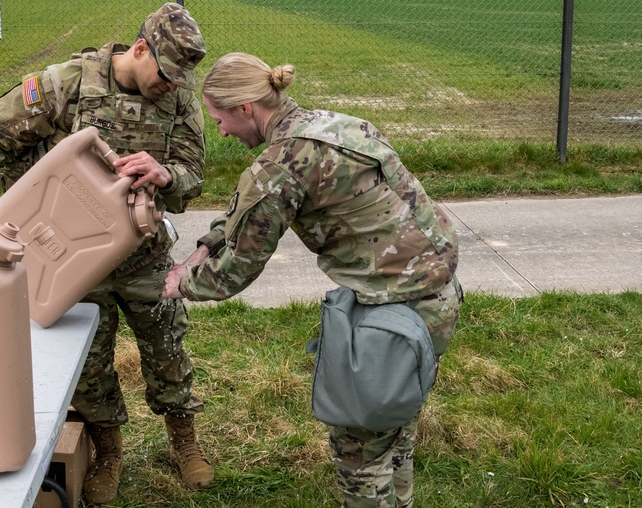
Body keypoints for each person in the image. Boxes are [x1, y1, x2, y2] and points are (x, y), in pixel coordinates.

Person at [162, 52, 463, 507]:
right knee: (396, 431)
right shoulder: (337, 125)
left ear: (246, 108)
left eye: (220, 119)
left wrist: (181, 283)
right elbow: (248, 214)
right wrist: (206, 244)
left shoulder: (279, 165)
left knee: (361, 456)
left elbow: (238, 269)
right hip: (437, 298)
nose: (220, 130)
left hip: (392, 313)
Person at [0, 3, 213, 503]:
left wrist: (167, 175)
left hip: (142, 256)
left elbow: (192, 176)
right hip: (67, 261)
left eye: (182, 78)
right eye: (165, 73)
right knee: (88, 367)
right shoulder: (65, 84)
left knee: (168, 352)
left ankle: (185, 442)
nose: (173, 86)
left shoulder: (179, 101)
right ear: (140, 49)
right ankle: (107, 451)